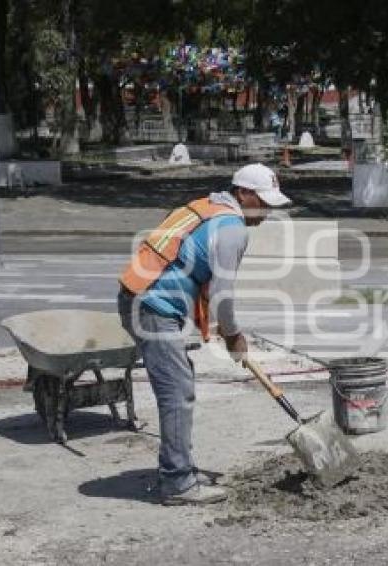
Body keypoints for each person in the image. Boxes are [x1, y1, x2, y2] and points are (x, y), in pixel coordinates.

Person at [117, 163, 290, 505]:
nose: (267, 212)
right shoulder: (234, 229)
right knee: (178, 392)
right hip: (152, 307)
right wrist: (234, 335)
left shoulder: (207, 208)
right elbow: (224, 294)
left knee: (179, 384)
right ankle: (178, 483)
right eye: (264, 203)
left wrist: (224, 332)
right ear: (243, 193)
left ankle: (179, 468)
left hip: (140, 298)